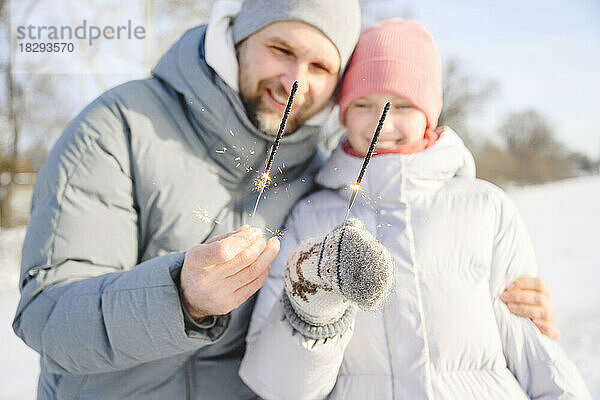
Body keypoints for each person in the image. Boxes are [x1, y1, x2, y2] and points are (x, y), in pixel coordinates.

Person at [12, 0, 557, 397]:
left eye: (321, 67)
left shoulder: (320, 182)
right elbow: (48, 316)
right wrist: (180, 297)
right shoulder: (122, 127)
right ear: (238, 40)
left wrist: (494, 312)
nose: (296, 79)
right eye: (281, 49)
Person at [239, 18, 590, 399]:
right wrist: (313, 310)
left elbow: (533, 350)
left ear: (430, 113)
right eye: (363, 105)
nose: (381, 123)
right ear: (342, 112)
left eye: (403, 105)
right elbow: (276, 386)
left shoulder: (485, 207)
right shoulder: (310, 218)